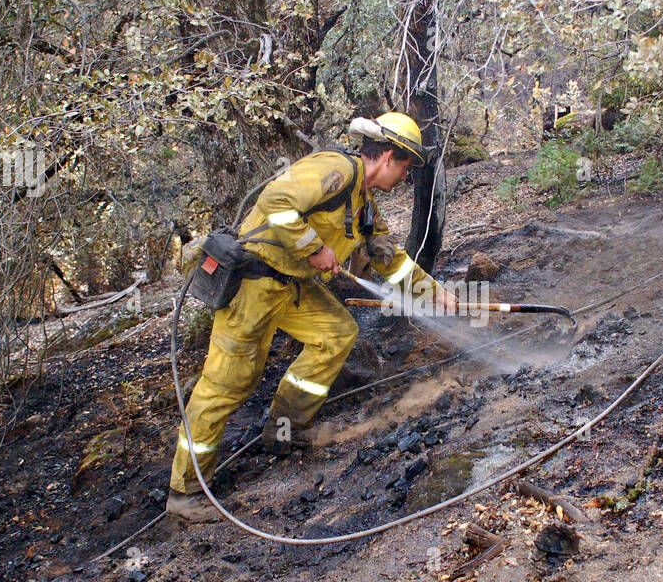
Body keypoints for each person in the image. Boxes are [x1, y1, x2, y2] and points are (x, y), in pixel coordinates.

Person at [166, 112, 457, 522]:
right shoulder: (336, 170)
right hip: (255, 284)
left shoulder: (365, 203)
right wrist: (314, 248)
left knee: (337, 333)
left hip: (291, 286)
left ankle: (283, 430)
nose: (405, 178)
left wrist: (436, 293)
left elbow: (388, 257)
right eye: (406, 167)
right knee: (228, 384)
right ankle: (184, 493)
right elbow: (276, 203)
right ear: (389, 156)